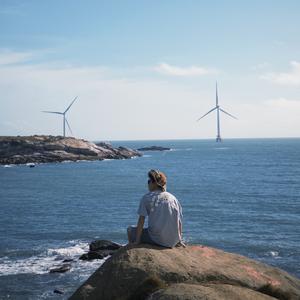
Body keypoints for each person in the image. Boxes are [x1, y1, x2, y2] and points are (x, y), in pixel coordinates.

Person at [127, 169, 184, 248]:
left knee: (130, 230)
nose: (148, 184)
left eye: (149, 181)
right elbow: (179, 221)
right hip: (173, 241)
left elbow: (141, 220)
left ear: (154, 183)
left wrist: (137, 241)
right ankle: (178, 241)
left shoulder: (147, 197)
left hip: (157, 240)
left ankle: (133, 248)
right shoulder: (173, 198)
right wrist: (179, 239)